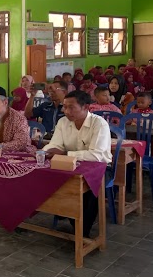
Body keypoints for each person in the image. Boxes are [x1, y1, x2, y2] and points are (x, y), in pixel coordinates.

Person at [44, 91, 112, 238]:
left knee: (89, 191)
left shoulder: (99, 124)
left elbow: (97, 155)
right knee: (51, 179)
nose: (66, 111)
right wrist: (45, 152)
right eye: (64, 107)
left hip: (97, 168)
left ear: (86, 107)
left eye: (71, 107)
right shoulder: (63, 122)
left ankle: (83, 232)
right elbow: (55, 145)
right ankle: (69, 216)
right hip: (70, 166)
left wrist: (66, 154)